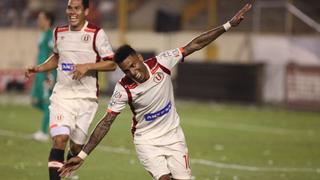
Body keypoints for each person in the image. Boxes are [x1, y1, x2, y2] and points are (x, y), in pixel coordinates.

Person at [59, 3, 252, 180]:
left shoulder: (162, 62)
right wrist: (83, 154)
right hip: (147, 141)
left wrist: (228, 25)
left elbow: (195, 45)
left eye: (134, 65)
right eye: (127, 70)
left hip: (174, 137)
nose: (133, 72)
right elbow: (106, 123)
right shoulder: (123, 88)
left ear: (140, 58)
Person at [25, 0, 116, 180]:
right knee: (60, 139)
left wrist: (88, 66)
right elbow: (57, 57)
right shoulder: (59, 32)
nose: (72, 12)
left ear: (86, 11)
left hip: (86, 99)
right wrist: (39, 68)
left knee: (76, 148)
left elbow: (112, 63)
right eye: (69, 8)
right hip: (62, 96)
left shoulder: (96, 34)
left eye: (77, 8)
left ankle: (67, 169)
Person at [30, 10, 56, 142]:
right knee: (36, 100)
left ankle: (44, 131)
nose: (38, 21)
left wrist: (50, 74)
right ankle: (55, 118)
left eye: (41, 18)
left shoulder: (51, 35)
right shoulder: (42, 34)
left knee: (47, 101)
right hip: (40, 73)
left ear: (48, 20)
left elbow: (53, 54)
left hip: (48, 73)